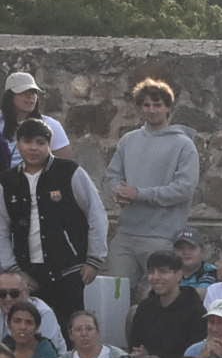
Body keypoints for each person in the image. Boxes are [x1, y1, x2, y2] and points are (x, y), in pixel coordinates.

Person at [99, 79, 198, 335]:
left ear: (168, 108)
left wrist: (140, 194)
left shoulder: (183, 145)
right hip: (127, 234)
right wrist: (117, 192)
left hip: (162, 236)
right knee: (113, 298)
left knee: (157, 301)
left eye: (157, 104)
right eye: (146, 105)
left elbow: (184, 189)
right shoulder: (128, 141)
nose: (151, 110)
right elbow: (112, 176)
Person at [3, 115, 106, 329]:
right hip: (28, 274)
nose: (33, 148)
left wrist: (94, 259)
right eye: (28, 142)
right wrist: (13, 270)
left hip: (69, 269)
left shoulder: (69, 172)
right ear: (18, 144)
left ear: (49, 145)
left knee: (72, 330)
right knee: (31, 331)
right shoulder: (8, 181)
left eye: (40, 143)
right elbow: (1, 228)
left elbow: (96, 213)